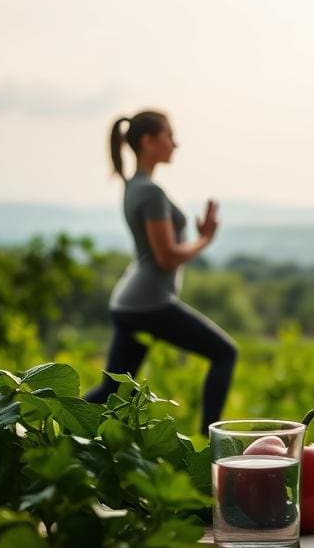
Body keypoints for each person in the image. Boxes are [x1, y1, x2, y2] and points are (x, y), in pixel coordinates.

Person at [84, 109, 237, 433]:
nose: (175, 143)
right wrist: (204, 240)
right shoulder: (149, 192)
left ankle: (48, 425)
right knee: (225, 353)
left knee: (111, 391)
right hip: (148, 303)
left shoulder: (134, 186)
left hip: (130, 303)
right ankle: (212, 443)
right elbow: (166, 257)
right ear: (148, 141)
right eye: (169, 135)